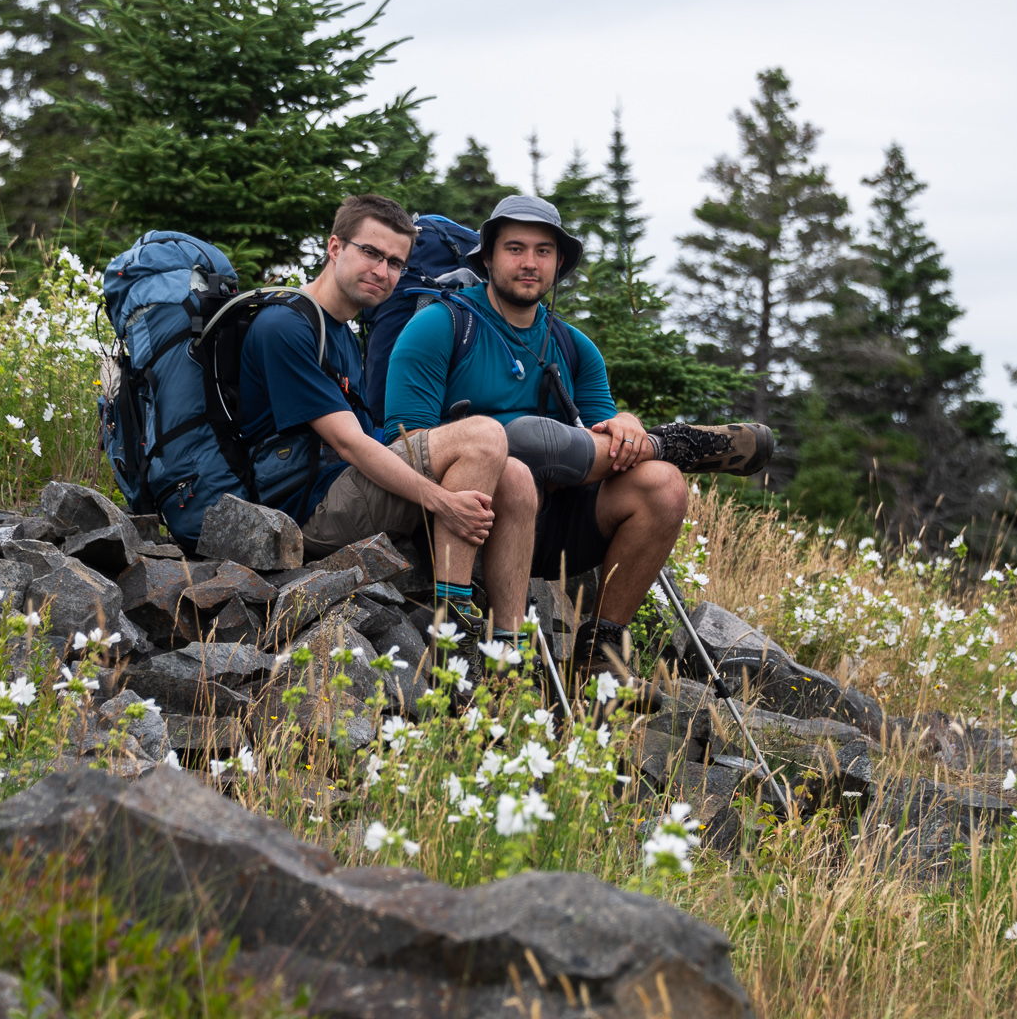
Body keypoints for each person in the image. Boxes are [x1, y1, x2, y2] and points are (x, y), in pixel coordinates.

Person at [380, 195, 772, 674]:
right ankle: (674, 441)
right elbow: (408, 443)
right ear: (486, 257)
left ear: (559, 263)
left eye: (543, 251)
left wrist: (627, 430)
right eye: (515, 249)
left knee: (663, 484)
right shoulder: (440, 326)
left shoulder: (574, 346)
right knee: (517, 444)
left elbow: (606, 448)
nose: (530, 263)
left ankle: (601, 653)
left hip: (550, 523)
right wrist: (501, 452)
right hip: (459, 518)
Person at [238, 194, 538, 634]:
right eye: (371, 253)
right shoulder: (285, 327)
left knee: (514, 475)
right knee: (483, 436)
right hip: (301, 514)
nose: (383, 272)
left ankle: (512, 648)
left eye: (396, 262)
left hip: (338, 488)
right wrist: (444, 502)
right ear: (335, 248)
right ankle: (452, 632)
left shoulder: (338, 328)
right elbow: (348, 443)